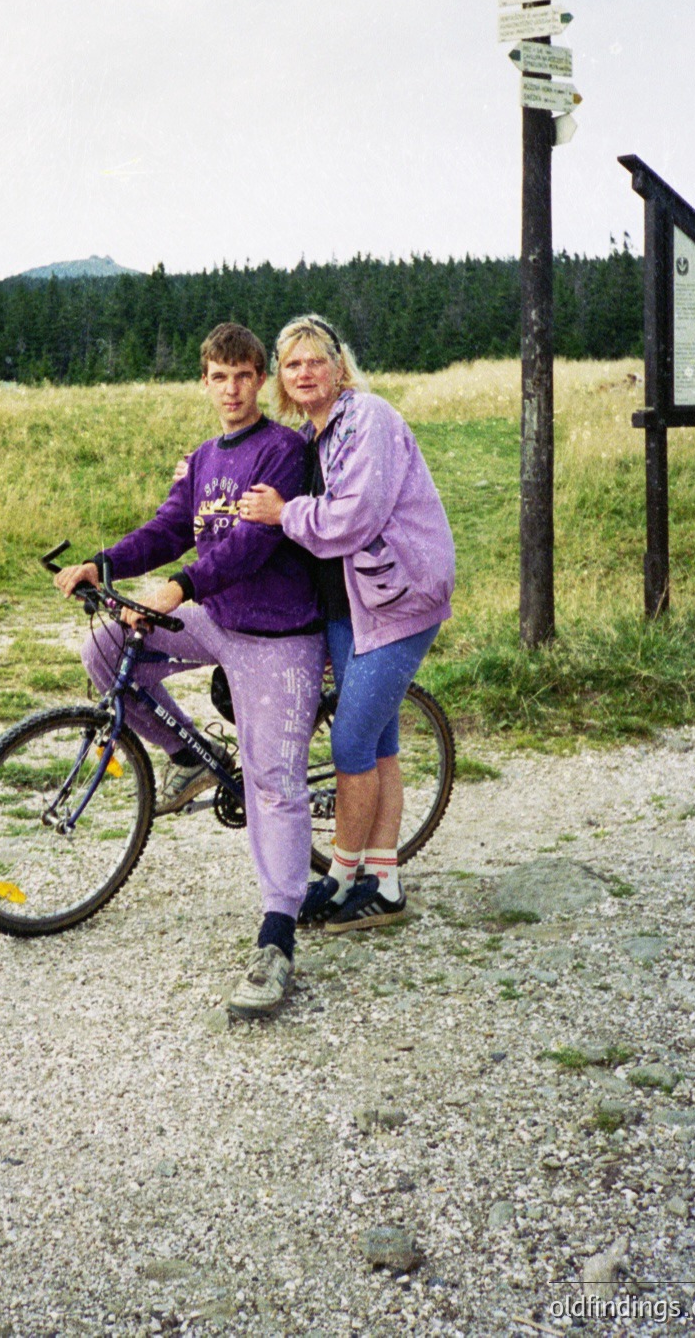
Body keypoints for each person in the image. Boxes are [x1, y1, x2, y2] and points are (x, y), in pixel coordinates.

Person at [53, 322, 325, 1017]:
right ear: (203, 381)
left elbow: (249, 548)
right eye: (218, 376)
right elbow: (171, 528)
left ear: (260, 380)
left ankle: (277, 938)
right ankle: (189, 756)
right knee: (106, 648)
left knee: (273, 783)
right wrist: (104, 564)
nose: (231, 389)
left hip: (276, 635)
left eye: (244, 376)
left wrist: (177, 588)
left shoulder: (284, 450)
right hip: (217, 617)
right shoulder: (204, 457)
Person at [239, 313, 455, 931]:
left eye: (315, 361)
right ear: (281, 379)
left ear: (339, 368)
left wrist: (284, 513)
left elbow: (354, 517)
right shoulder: (312, 434)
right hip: (350, 605)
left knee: (351, 743)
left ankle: (339, 878)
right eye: (292, 364)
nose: (305, 373)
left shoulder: (368, 419)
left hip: (401, 601)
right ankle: (383, 883)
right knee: (381, 743)